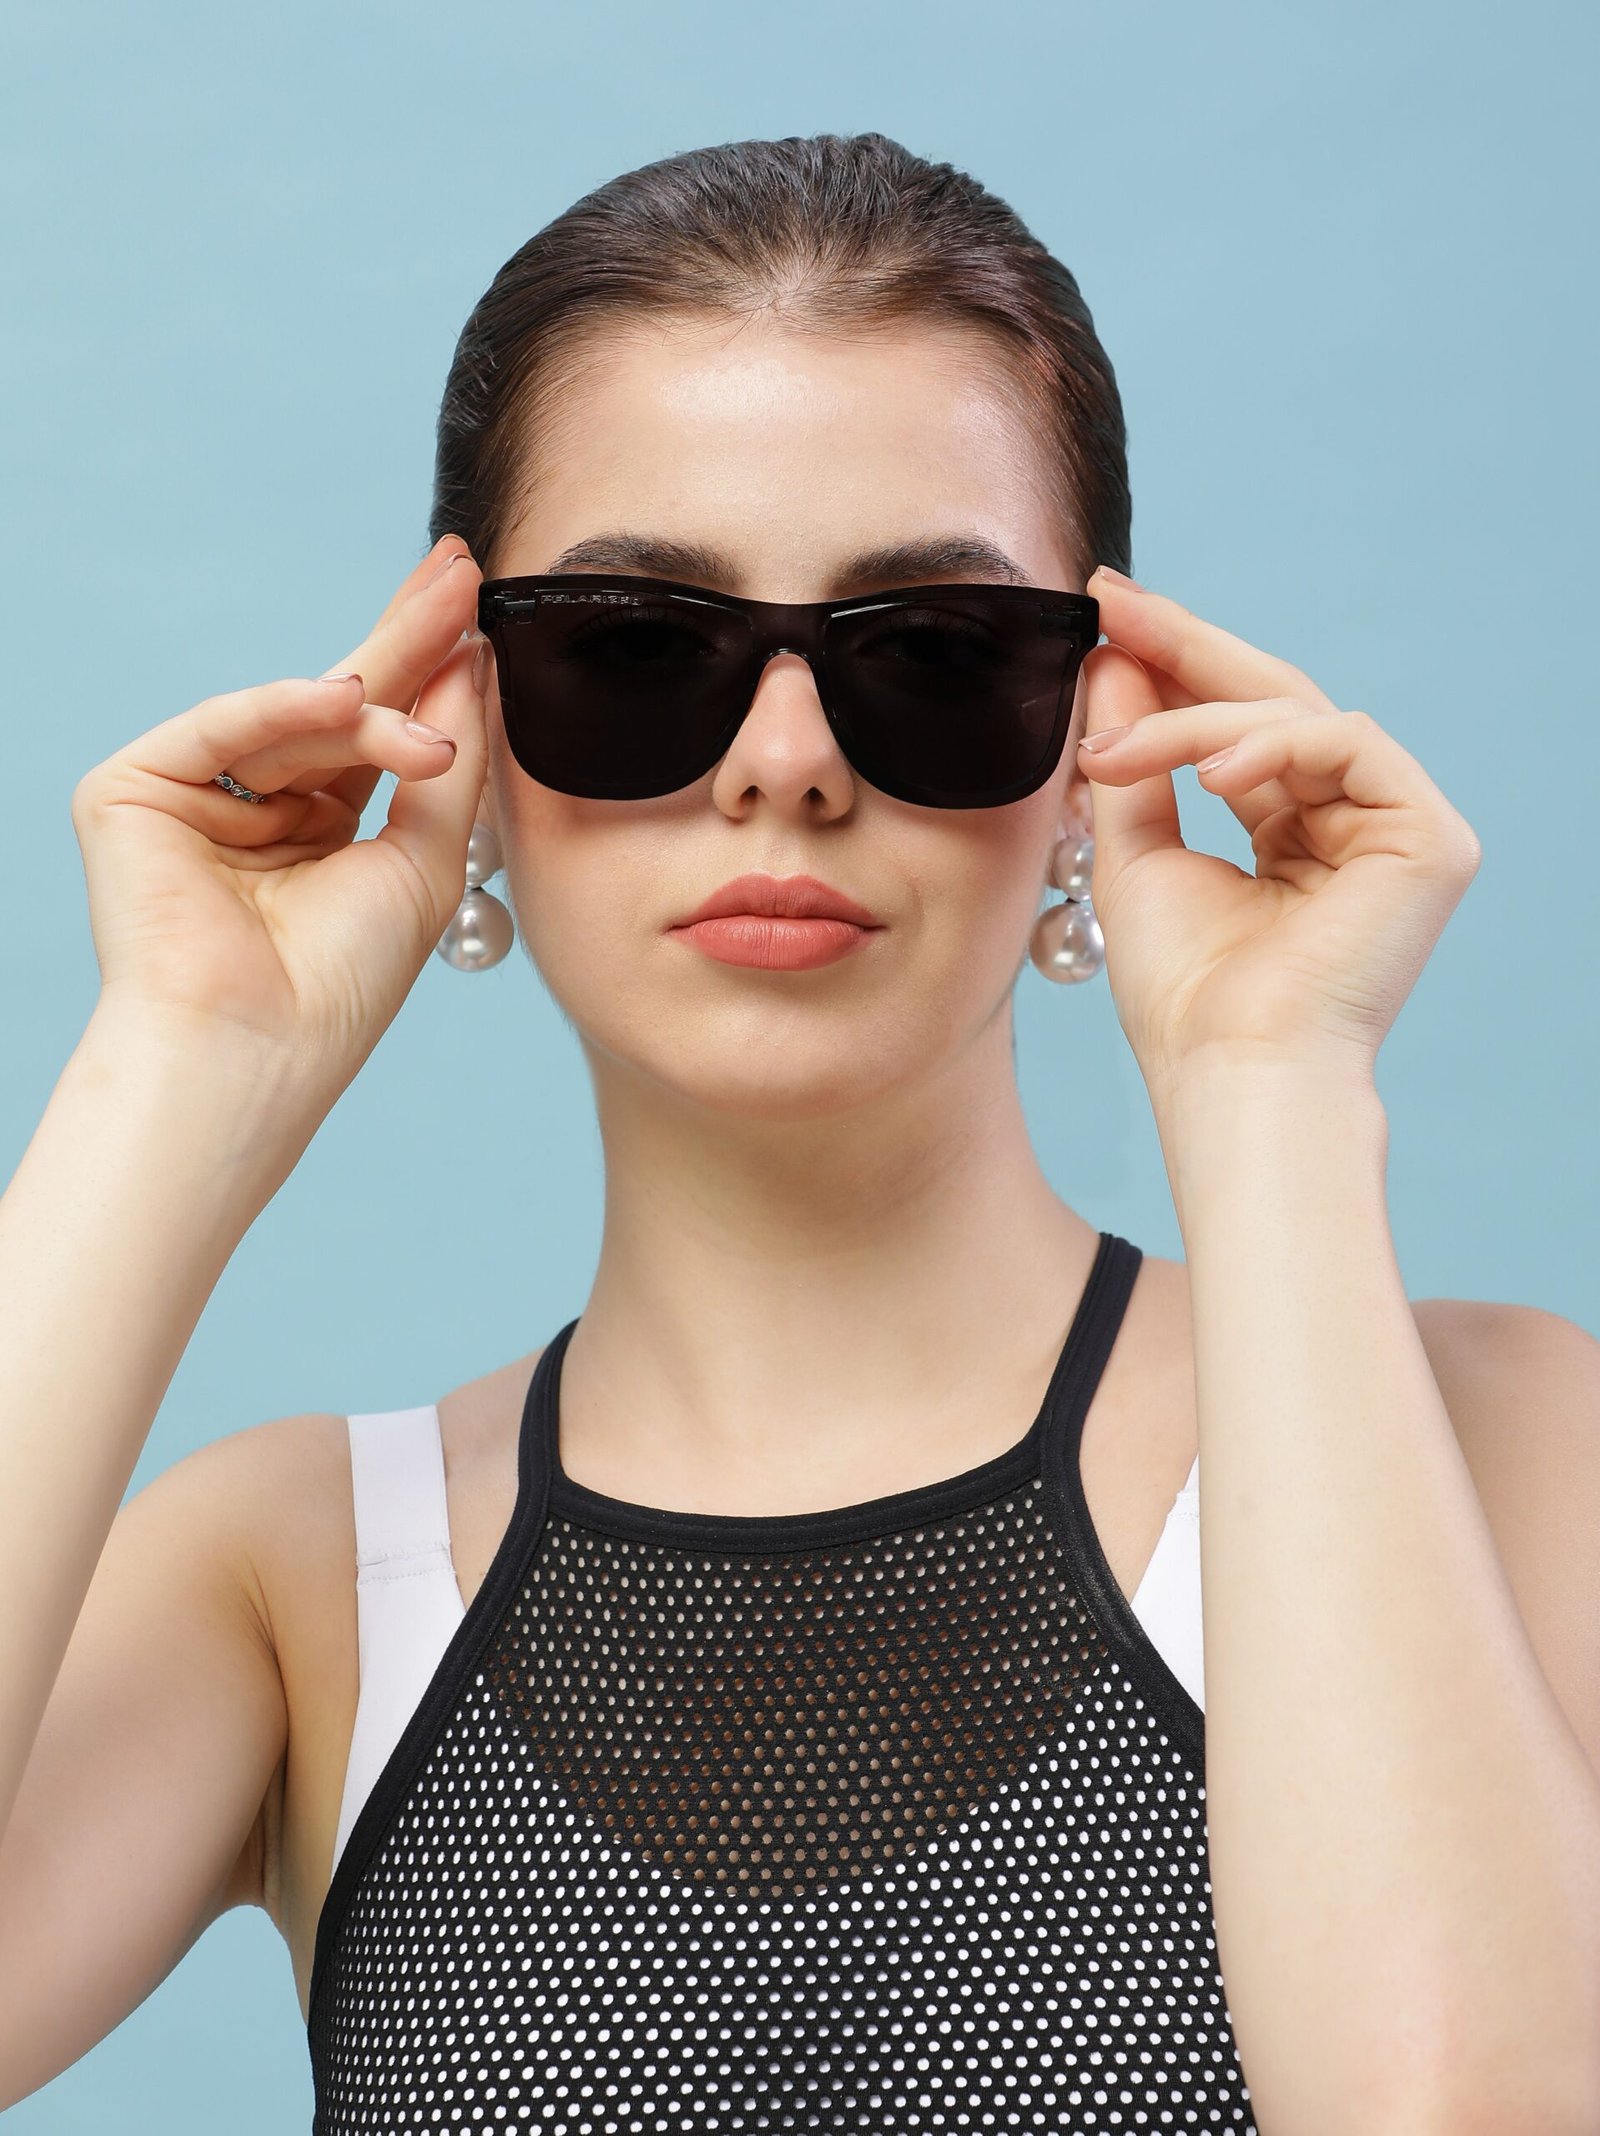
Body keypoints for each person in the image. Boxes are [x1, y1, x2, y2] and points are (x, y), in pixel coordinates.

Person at [2, 131, 1598, 2135]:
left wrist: (1270, 1088)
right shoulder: (301, 1575)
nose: (783, 764)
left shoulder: (1503, 1447)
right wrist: (182, 1056)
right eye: (632, 649)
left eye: (930, 656)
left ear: (1090, 733)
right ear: (464, 721)